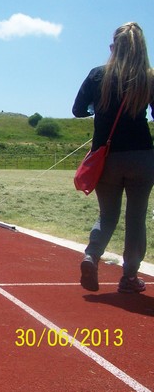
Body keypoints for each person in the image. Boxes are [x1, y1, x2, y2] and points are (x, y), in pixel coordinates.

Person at [73, 22, 154, 294]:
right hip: (142, 157)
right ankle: (129, 278)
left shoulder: (98, 75)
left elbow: (77, 110)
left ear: (114, 47)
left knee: (107, 215)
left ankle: (91, 256)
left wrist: (99, 109)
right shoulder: (147, 77)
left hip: (106, 158)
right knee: (136, 217)